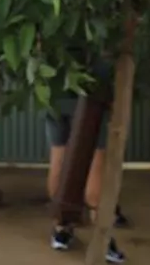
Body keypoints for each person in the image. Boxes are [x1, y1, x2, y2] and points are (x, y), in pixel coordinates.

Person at [45, 90, 127, 262]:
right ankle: (103, 238)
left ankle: (61, 228)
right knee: (96, 166)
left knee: (59, 159)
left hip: (57, 94)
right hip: (92, 98)